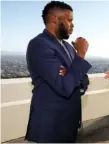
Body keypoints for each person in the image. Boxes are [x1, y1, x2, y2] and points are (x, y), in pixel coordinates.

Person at [25, 1, 91, 143]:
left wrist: (73, 76)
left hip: (69, 124)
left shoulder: (67, 47)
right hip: (51, 126)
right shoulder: (39, 45)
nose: (73, 25)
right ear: (55, 19)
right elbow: (64, 87)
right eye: (69, 20)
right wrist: (80, 53)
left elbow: (84, 78)